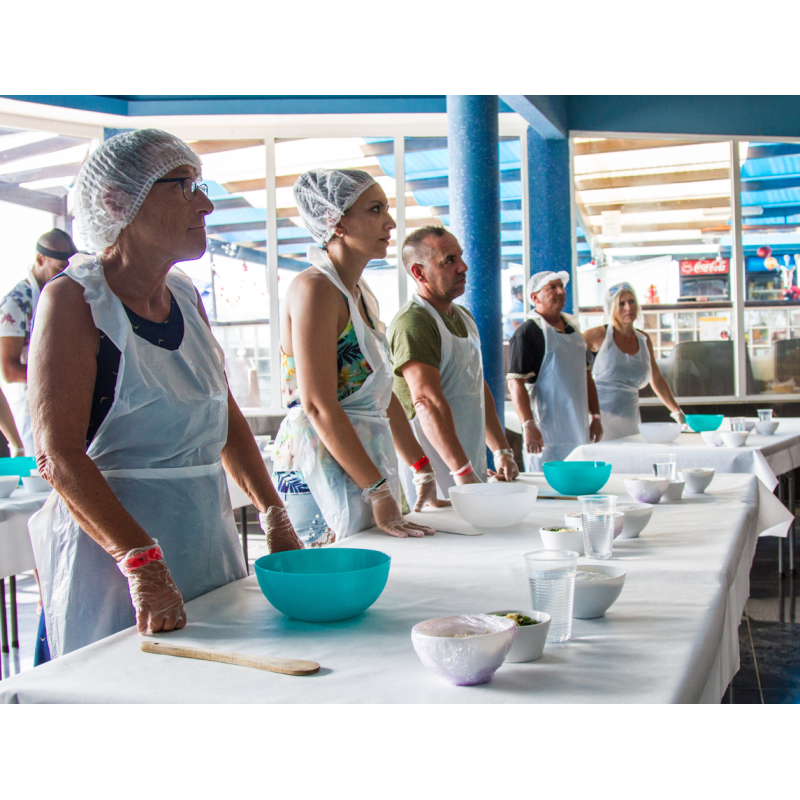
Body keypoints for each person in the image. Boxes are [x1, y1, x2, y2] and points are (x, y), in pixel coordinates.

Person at [27, 129, 302, 661]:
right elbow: (58, 455)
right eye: (184, 187)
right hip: (114, 561)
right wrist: (141, 562)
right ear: (116, 201)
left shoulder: (184, 295)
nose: (206, 202)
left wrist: (274, 514)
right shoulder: (74, 302)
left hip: (205, 541)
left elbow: (224, 415)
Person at [272, 169, 440, 546]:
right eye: (375, 209)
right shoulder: (314, 289)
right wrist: (377, 491)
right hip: (319, 462)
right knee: (329, 588)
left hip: (366, 464)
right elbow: (317, 406)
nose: (390, 222)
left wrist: (421, 469)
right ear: (337, 221)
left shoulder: (361, 293)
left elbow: (381, 394)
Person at [388, 226, 519, 504]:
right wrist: (462, 471)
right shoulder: (414, 323)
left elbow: (476, 386)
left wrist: (501, 450)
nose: (463, 267)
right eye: (449, 261)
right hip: (433, 473)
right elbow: (425, 401)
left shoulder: (464, 317)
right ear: (418, 273)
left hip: (467, 467)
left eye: (460, 257)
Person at [507, 270, 603, 471]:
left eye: (561, 286)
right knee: (549, 489)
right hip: (547, 433)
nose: (560, 291)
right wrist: (528, 425)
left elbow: (586, 376)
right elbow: (515, 383)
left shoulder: (575, 333)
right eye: (552, 287)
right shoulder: (528, 333)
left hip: (578, 429)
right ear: (534, 297)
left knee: (580, 483)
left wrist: (595, 416)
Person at [0, 228, 78, 456]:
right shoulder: (16, 304)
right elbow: (7, 370)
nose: (65, 276)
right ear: (40, 259)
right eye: (59, 268)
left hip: (58, 405)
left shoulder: (59, 297)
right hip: (27, 410)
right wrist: (60, 378)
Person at [584, 282, 684, 440]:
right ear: (611, 309)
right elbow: (570, 356)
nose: (628, 308)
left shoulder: (643, 339)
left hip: (631, 421)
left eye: (631, 301)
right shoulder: (599, 335)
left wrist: (676, 411)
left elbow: (656, 378)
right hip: (601, 422)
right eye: (621, 304)